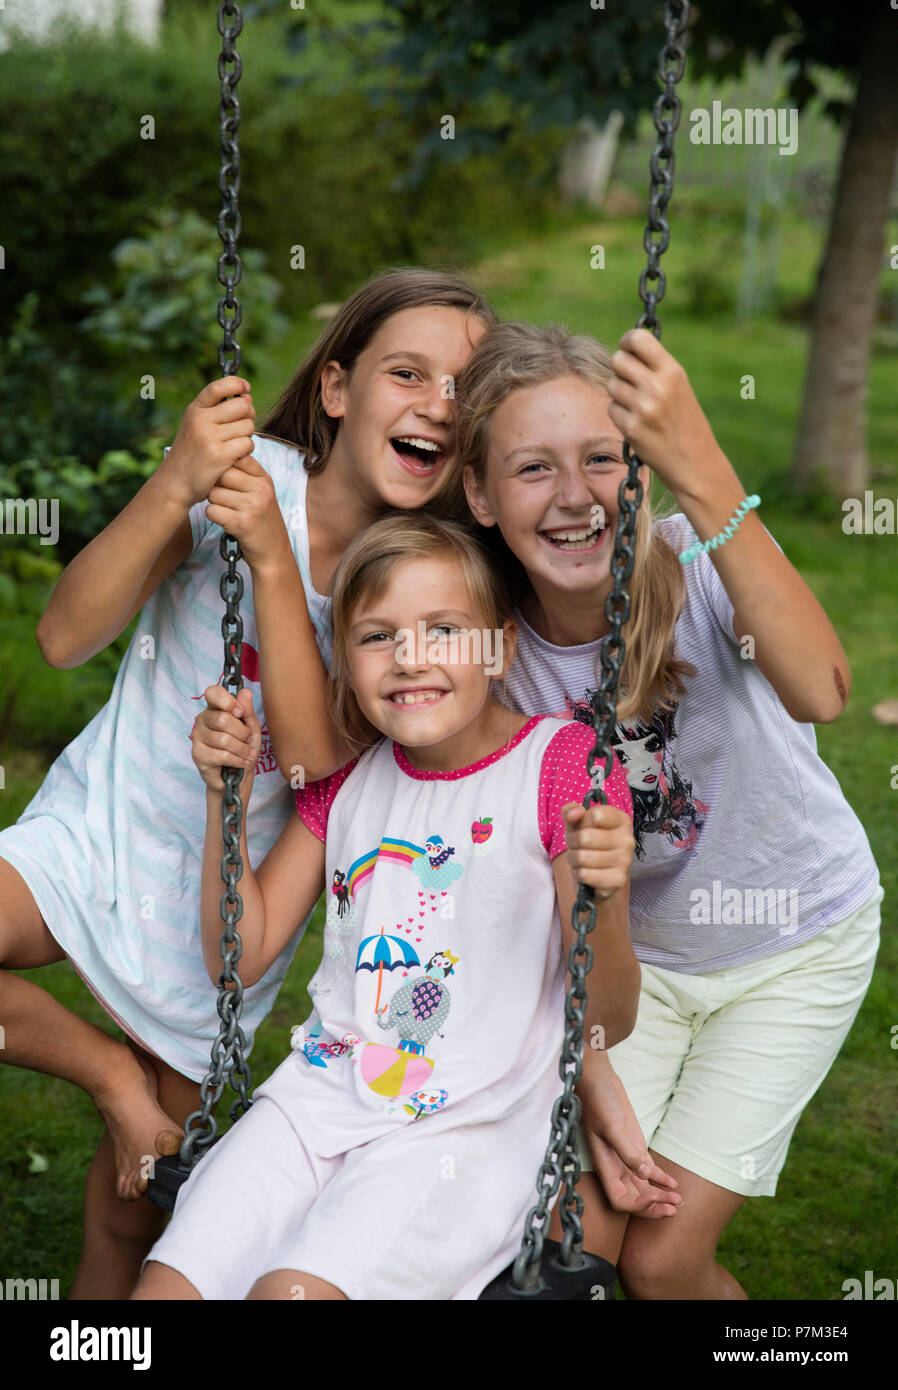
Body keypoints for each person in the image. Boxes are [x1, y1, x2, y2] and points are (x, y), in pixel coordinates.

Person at [0, 267, 496, 1298]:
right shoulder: (242, 475)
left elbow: (316, 762)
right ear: (336, 389)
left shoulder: (422, 577)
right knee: (138, 1114)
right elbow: (61, 637)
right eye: (408, 372)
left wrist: (273, 561)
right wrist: (175, 480)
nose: (436, 405)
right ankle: (110, 1075)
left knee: (130, 1208)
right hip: (97, 832)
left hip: (215, 915)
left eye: (465, 387)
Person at [454, 320, 883, 1298]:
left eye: (601, 458)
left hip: (793, 944)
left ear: (640, 464)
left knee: (662, 1259)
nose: (573, 497)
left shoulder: (697, 561)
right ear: (478, 494)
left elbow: (820, 687)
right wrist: (590, 1062)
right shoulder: (488, 652)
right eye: (531, 469)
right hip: (632, 971)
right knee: (567, 1248)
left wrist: (705, 471)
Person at [130, 513, 639, 1301]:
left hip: (463, 1131)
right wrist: (224, 802)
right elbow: (239, 953)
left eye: (444, 630)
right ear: (348, 662)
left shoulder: (561, 768)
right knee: (164, 1291)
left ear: (500, 648)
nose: (410, 659)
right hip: (316, 1101)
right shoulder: (350, 782)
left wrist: (604, 898)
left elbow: (604, 1015)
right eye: (376, 636)